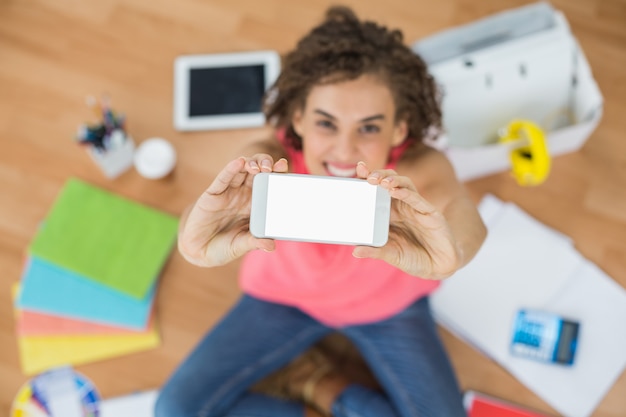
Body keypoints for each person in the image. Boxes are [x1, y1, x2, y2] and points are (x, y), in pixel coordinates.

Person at [155, 5, 487, 417]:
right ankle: (333, 394)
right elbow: (217, 199)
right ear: (298, 118)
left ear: (399, 128)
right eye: (326, 123)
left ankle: (316, 382)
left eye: (368, 127)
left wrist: (452, 253)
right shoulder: (268, 159)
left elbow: (462, 212)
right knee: (173, 410)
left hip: (389, 309)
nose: (344, 151)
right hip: (283, 299)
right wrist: (191, 238)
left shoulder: (418, 168)